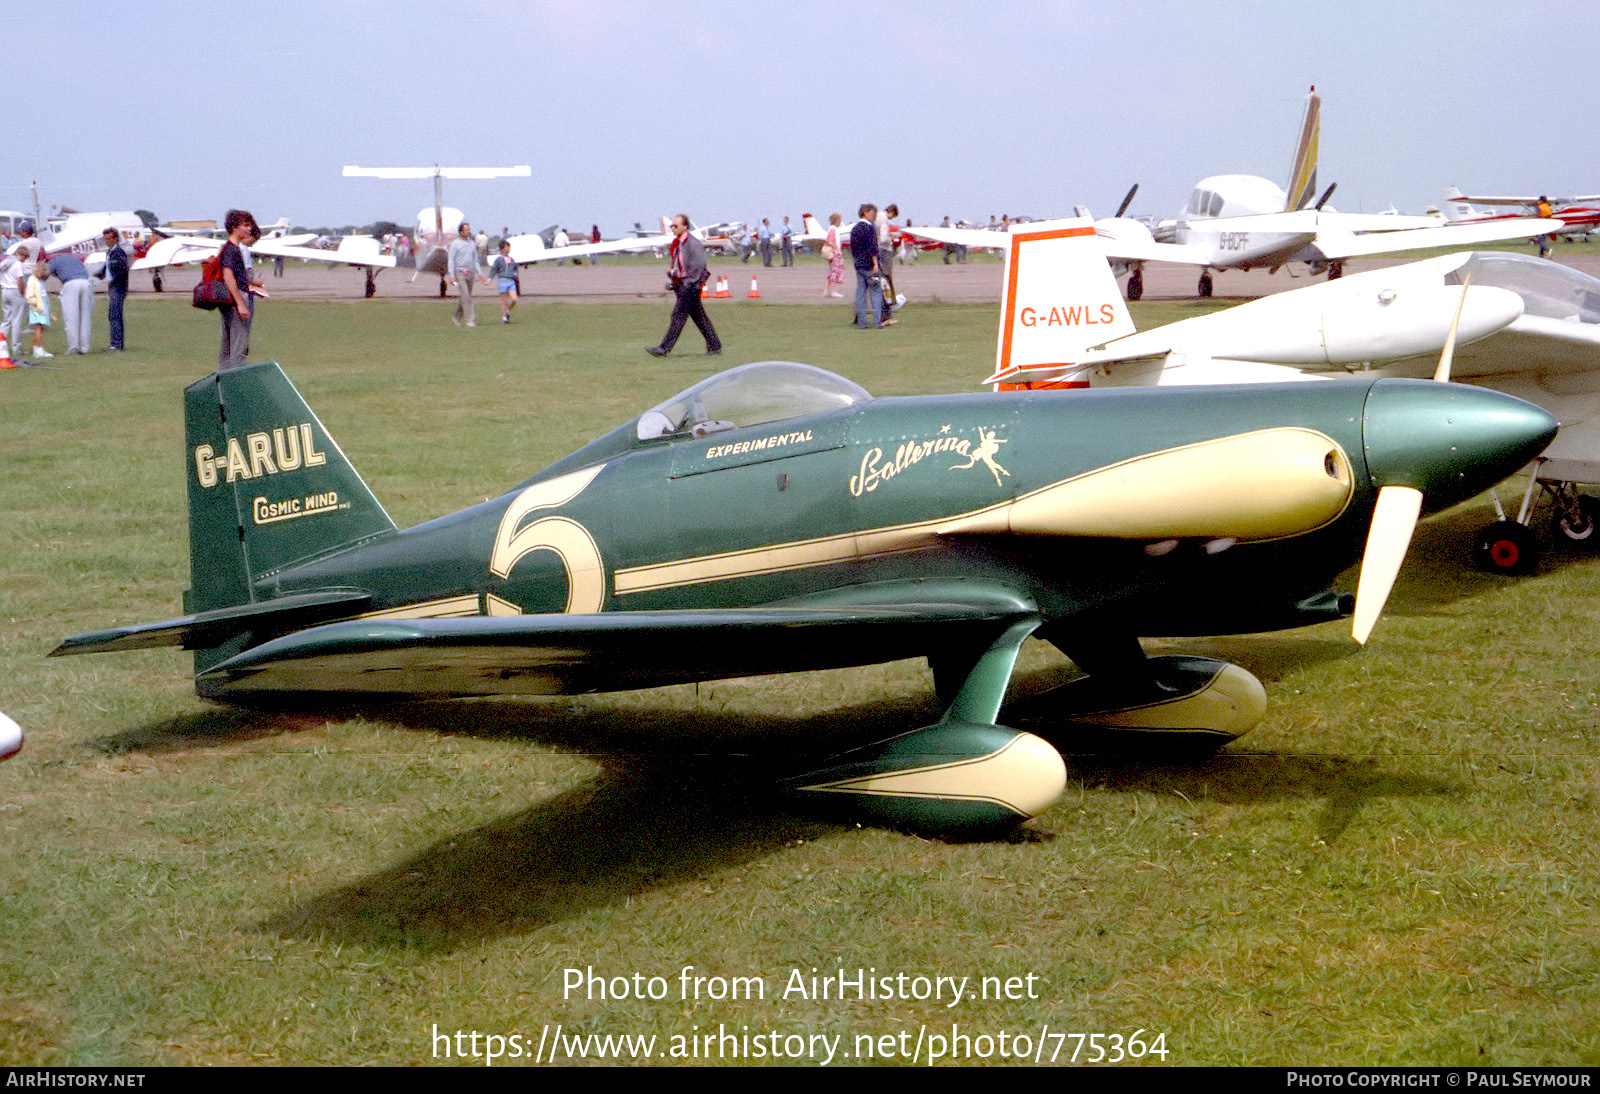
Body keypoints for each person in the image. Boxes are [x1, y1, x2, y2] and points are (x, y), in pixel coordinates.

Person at [646, 213, 720, 357]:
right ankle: (715, 346)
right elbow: (681, 265)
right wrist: (673, 274)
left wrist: (689, 283)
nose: (672, 228)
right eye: (671, 226)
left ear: (685, 226)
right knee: (699, 318)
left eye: (675, 226)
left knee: (678, 317)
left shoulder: (693, 243)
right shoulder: (679, 243)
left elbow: (699, 266)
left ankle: (664, 348)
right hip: (682, 285)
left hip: (690, 286)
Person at [217, 209, 254, 368]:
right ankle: (237, 384)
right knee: (239, 347)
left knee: (228, 345)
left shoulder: (231, 248)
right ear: (234, 227)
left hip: (231, 300)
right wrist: (240, 303)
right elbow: (228, 276)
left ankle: (224, 382)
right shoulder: (232, 249)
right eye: (245, 225)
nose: (249, 229)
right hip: (236, 301)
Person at [47, 249, 94, 355]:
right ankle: (85, 347)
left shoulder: (53, 262)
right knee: (85, 317)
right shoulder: (75, 259)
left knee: (71, 317)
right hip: (86, 282)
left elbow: (43, 273)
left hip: (70, 283)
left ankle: (73, 347)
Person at [850, 203, 883, 330]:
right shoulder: (869, 229)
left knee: (860, 294)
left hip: (859, 265)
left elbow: (853, 249)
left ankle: (862, 323)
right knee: (875, 293)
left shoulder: (854, 229)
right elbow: (873, 248)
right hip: (870, 265)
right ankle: (876, 322)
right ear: (865, 213)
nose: (874, 216)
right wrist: (875, 264)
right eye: (873, 213)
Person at [448, 220, 484, 327]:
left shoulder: (472, 244)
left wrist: (480, 273)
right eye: (467, 230)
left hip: (470, 272)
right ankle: (470, 320)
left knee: (465, 296)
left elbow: (475, 260)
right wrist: (451, 275)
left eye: (469, 229)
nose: (469, 231)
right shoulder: (455, 244)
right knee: (466, 296)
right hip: (460, 272)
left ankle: (456, 317)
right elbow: (451, 260)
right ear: (461, 232)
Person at [99, 228, 130, 351]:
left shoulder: (119, 252)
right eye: (105, 239)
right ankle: (115, 342)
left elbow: (121, 270)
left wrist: (115, 280)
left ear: (116, 239)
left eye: (110, 238)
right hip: (112, 286)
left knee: (115, 315)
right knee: (113, 315)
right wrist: (95, 277)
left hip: (118, 286)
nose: (107, 241)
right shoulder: (109, 252)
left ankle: (117, 344)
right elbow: (105, 268)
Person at [0, 239, 27, 355]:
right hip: (15, 291)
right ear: (20, 254)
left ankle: (1, 344)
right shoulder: (17, 264)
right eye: (24, 257)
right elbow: (19, 279)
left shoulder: (5, 262)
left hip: (5, 290)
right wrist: (22, 292)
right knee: (17, 320)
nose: (24, 260)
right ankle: (17, 347)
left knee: (7, 320)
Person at [25, 259, 54, 359]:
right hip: (37, 307)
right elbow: (29, 296)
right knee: (38, 328)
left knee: (40, 328)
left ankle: (38, 348)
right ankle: (38, 349)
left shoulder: (38, 280)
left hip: (42, 306)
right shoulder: (32, 280)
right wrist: (37, 306)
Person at [875, 203, 899, 325]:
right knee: (887, 280)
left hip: (877, 250)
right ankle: (887, 313)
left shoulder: (876, 216)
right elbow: (884, 238)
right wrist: (891, 239)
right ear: (891, 212)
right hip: (884, 251)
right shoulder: (884, 220)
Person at [491, 239, 518, 323]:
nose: (508, 249)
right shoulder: (499, 259)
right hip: (502, 280)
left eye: (508, 247)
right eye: (506, 247)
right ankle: (504, 317)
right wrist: (489, 278)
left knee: (514, 299)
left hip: (511, 281)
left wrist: (514, 274)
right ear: (502, 249)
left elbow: (514, 269)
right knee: (504, 300)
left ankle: (507, 311)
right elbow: (494, 269)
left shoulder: (511, 259)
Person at [823, 212, 845, 298]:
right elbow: (831, 241)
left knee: (832, 271)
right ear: (836, 220)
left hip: (834, 252)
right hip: (834, 253)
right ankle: (833, 291)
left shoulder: (832, 229)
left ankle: (826, 290)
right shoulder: (833, 229)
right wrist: (837, 249)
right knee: (834, 272)